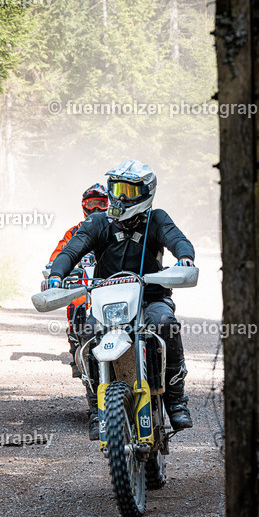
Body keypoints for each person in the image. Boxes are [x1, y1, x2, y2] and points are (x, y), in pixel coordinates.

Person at [48, 160, 195, 439]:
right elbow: (71, 250)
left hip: (150, 299)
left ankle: (176, 399)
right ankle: (95, 409)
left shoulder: (157, 219)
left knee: (166, 323)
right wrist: (56, 274)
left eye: (128, 189)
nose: (121, 196)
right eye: (116, 188)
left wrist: (185, 258)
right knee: (87, 333)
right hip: (107, 303)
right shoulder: (98, 222)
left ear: (145, 191)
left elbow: (178, 239)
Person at [45, 184, 110, 380]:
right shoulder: (74, 232)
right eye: (92, 204)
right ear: (84, 206)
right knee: (76, 304)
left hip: (109, 282)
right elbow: (60, 254)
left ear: (109, 205)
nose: (96, 208)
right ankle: (76, 347)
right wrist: (53, 268)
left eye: (101, 203)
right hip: (83, 283)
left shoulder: (113, 229)